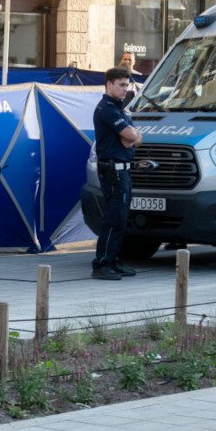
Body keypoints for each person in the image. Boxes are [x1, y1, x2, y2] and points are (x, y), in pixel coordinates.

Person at [91, 66, 142, 280]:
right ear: (109, 84)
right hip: (113, 171)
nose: (125, 89)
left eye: (127, 85)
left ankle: (114, 260)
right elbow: (128, 133)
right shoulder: (107, 109)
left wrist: (134, 137)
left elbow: (135, 136)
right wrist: (132, 136)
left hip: (123, 170)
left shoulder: (120, 109)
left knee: (121, 218)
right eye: (121, 85)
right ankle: (102, 263)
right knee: (113, 218)